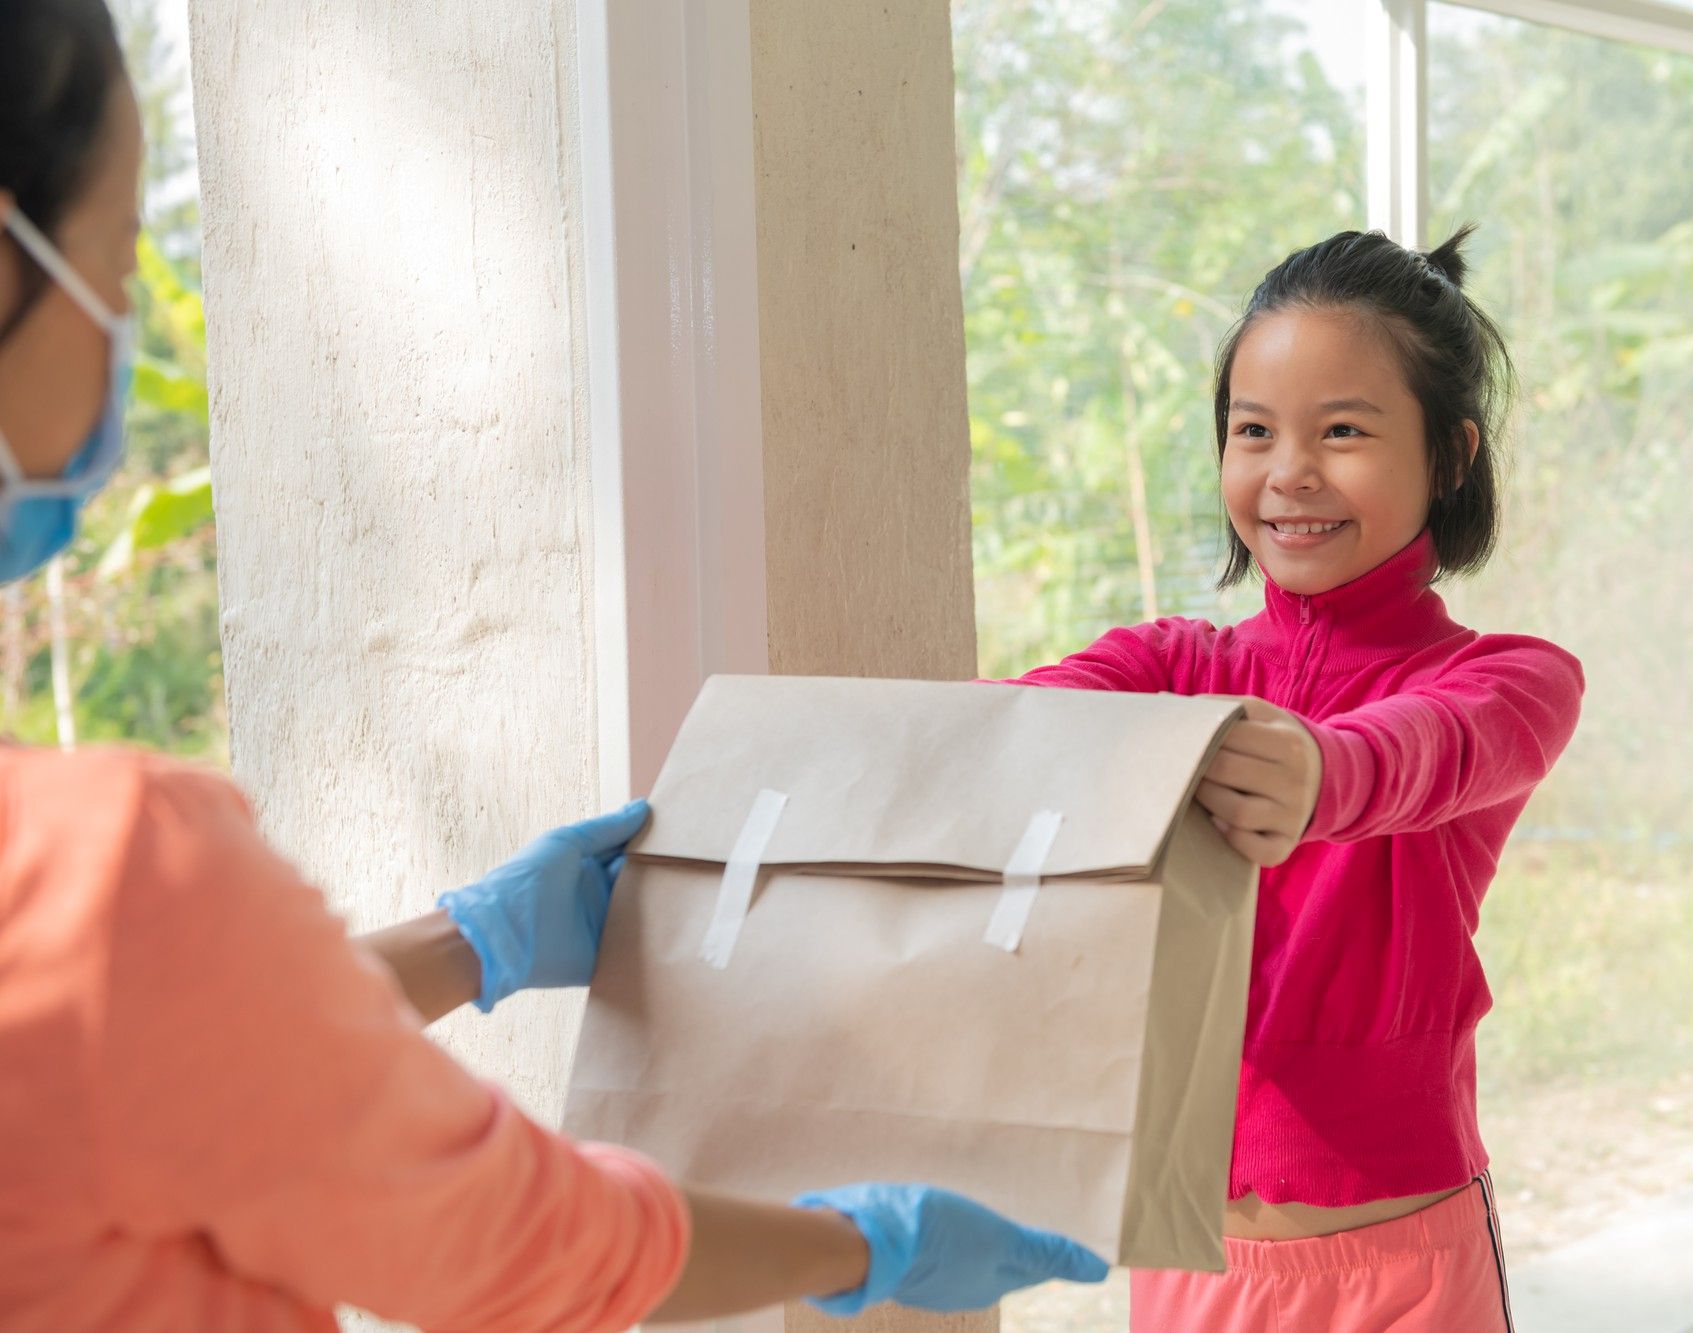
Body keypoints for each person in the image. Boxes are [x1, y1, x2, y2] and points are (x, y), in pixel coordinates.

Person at [0, 2, 1107, 1327]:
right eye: (118, 263)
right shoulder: (101, 869)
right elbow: (505, 1238)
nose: (129, 322)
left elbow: (142, 1072)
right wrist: (856, 1243)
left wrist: (464, 945)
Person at [1003, 227, 1586, 1330]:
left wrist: (1320, 771)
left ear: (1450, 456)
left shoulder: (1505, 680)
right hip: (1188, 1261)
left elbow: (1418, 750)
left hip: (1399, 1275)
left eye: (1343, 432)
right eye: (1253, 431)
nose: (1287, 473)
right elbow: (1008, 728)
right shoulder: (1175, 665)